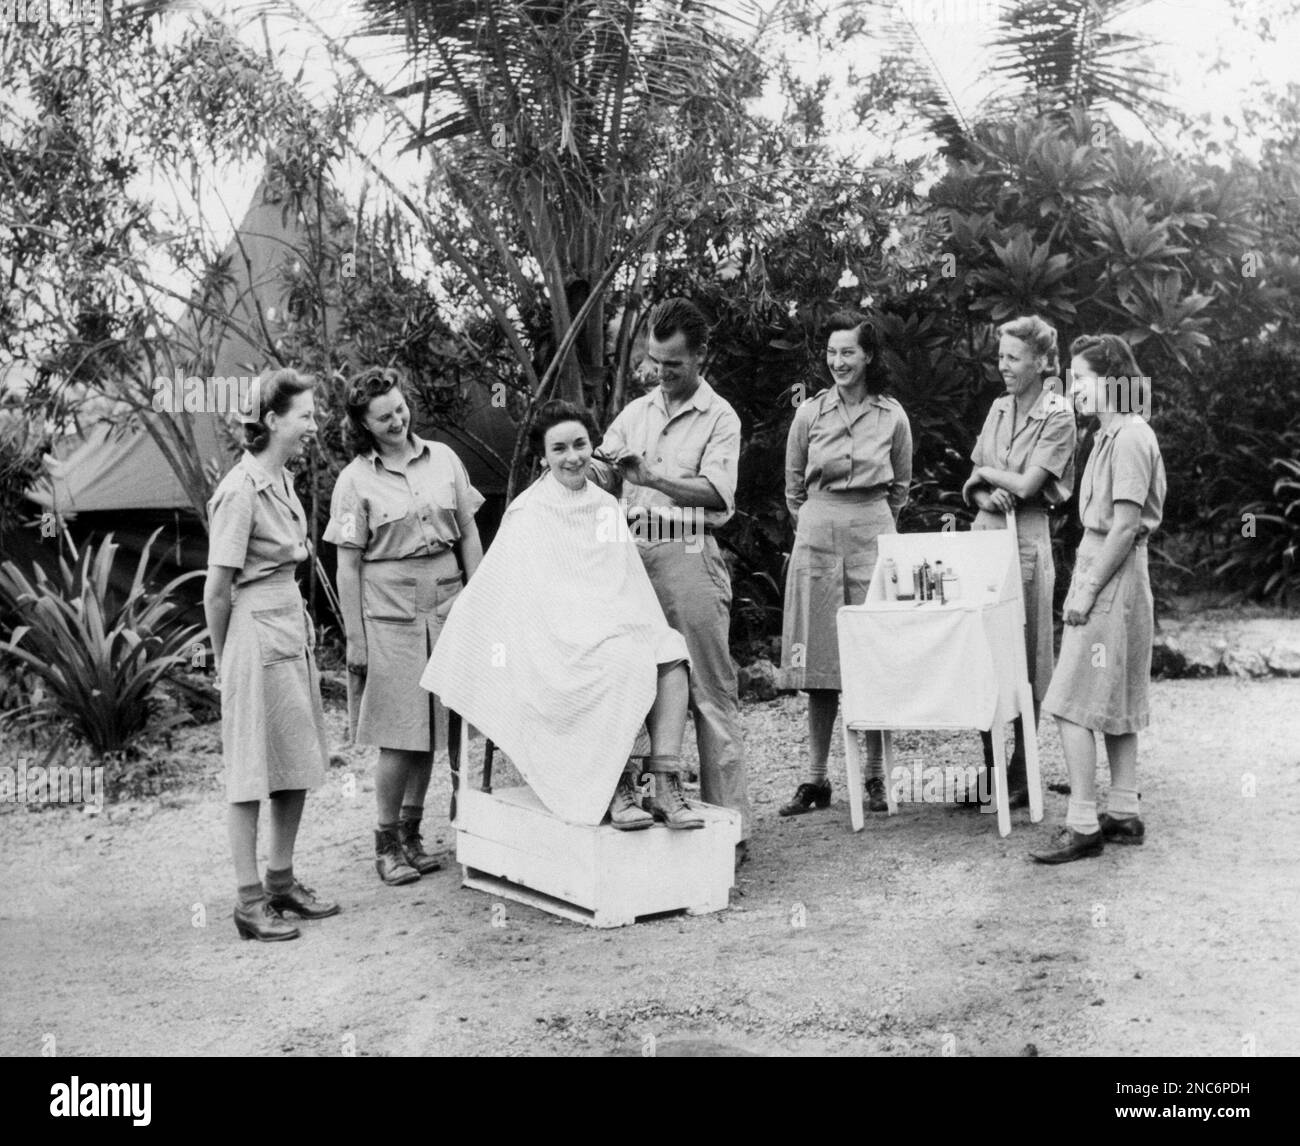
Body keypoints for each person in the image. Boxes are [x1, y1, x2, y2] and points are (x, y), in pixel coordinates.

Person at [421, 400, 700, 830]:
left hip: (609, 627)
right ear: (543, 457)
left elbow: (625, 587)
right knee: (620, 661)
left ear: (592, 445)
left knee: (671, 651)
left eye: (580, 444)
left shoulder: (606, 508)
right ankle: (616, 784)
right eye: (559, 449)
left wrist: (616, 625)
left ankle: (663, 782)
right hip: (552, 643)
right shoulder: (528, 513)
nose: (572, 457)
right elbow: (513, 592)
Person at [600, 299, 753, 851]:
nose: (661, 374)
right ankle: (646, 809)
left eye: (673, 365)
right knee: (634, 687)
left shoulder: (721, 418)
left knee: (709, 694)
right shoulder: (635, 412)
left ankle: (730, 830)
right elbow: (603, 468)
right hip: (630, 561)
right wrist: (586, 466)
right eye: (654, 362)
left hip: (689, 551)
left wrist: (654, 477)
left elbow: (718, 496)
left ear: (701, 358)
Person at [325, 367, 484, 886]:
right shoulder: (354, 481)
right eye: (383, 417)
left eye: (399, 409)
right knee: (399, 732)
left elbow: (468, 533)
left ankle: (414, 837)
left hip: (448, 601)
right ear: (363, 425)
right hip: (389, 612)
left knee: (434, 727)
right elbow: (347, 564)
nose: (397, 421)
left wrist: (479, 598)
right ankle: (385, 841)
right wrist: (355, 637)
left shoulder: (444, 459)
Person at [203, 369, 339, 942]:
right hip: (254, 633)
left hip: (288, 625)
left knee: (293, 761)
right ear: (274, 420)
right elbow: (216, 591)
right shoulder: (239, 490)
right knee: (249, 771)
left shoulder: (279, 480)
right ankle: (248, 900)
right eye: (305, 415)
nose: (314, 424)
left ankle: (281, 882)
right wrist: (223, 660)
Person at [1032, 334, 1166, 864]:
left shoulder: (1130, 436)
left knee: (1069, 701)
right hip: (1115, 569)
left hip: (1111, 571)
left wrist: (1085, 589)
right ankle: (1124, 811)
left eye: (1082, 378)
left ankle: (1083, 822)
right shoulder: (1111, 434)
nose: (1072, 389)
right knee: (1115, 696)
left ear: (1113, 381)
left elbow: (1126, 525)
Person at [776, 310, 913, 816]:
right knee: (819, 662)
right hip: (817, 535)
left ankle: (876, 776)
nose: (838, 361)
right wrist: (818, 521)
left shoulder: (892, 415)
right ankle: (815, 780)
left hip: (873, 534)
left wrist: (870, 524)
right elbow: (793, 486)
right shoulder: (810, 413)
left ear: (868, 355)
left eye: (848, 352)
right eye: (831, 352)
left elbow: (900, 486)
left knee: (875, 657)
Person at [960, 315, 1077, 809]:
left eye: (1012, 357)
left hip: (1027, 538)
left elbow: (1030, 486)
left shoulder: (1058, 412)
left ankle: (1023, 769)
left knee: (1026, 654)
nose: (1002, 366)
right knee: (982, 653)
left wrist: (990, 473)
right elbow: (974, 483)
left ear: (1041, 362)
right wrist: (985, 495)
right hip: (986, 534)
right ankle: (990, 771)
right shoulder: (999, 408)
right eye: (1000, 356)